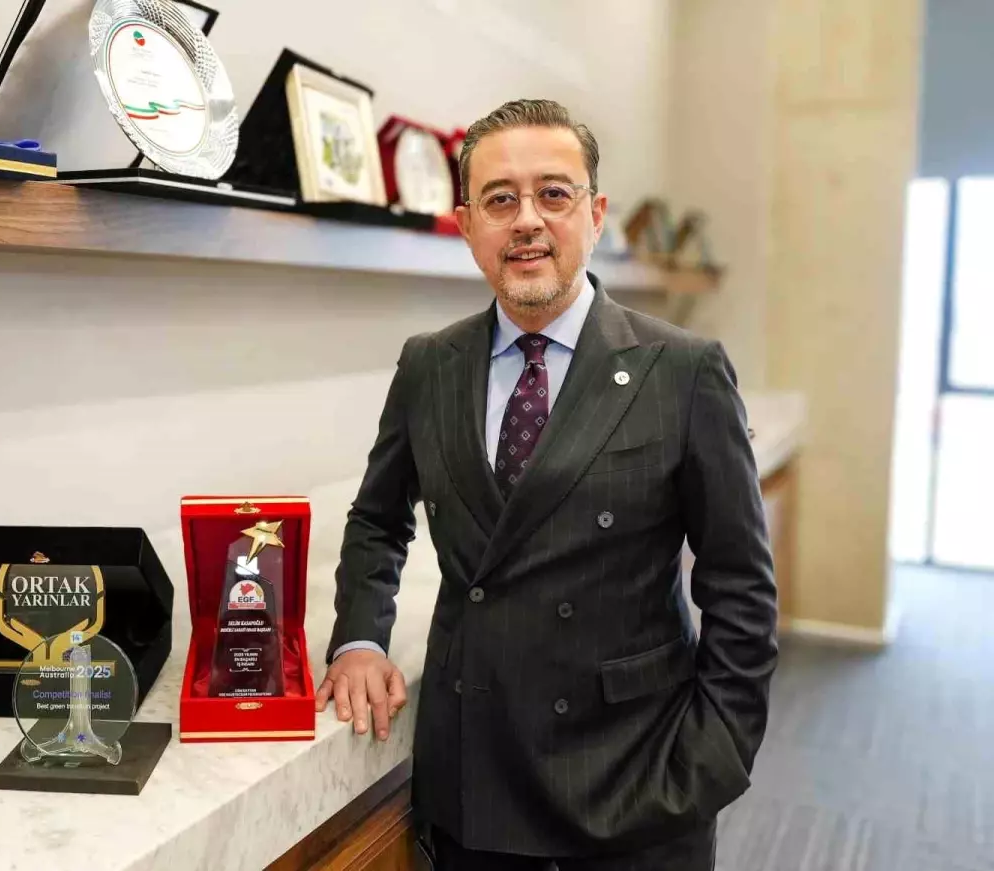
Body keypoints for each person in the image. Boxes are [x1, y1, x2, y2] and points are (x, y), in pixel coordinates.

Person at [314, 99, 779, 870]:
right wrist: (361, 637)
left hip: (637, 784)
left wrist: (712, 758)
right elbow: (377, 519)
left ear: (594, 214)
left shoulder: (683, 370)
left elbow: (742, 589)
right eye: (500, 199)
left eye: (553, 194)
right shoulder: (429, 363)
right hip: (475, 785)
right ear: (467, 226)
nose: (527, 219)